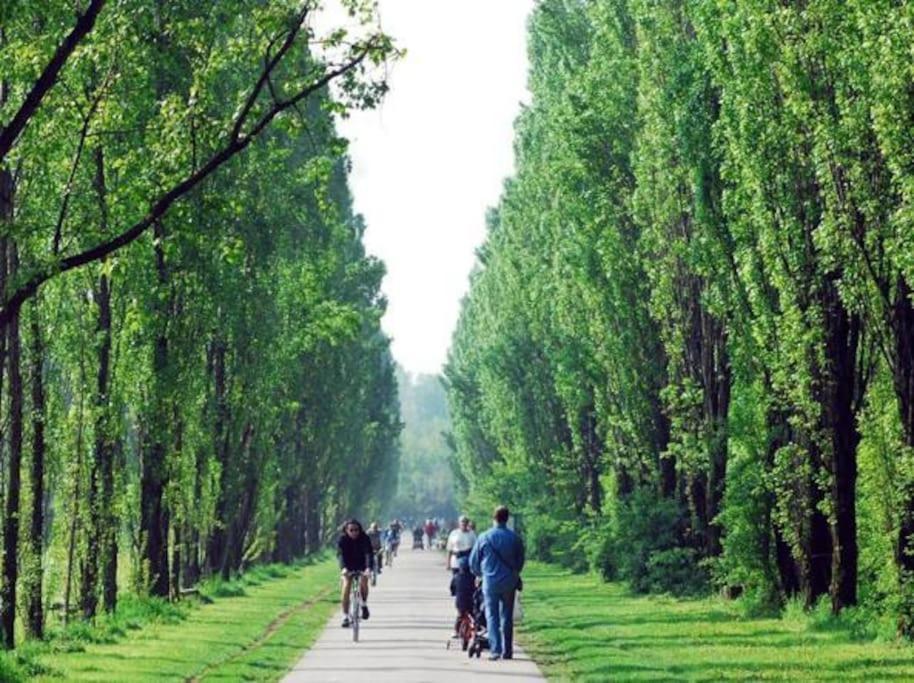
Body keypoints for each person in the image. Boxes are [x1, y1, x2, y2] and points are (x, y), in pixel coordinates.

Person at [469, 505, 524, 661]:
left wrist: (480, 574)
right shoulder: (514, 538)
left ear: (493, 518)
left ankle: (496, 650)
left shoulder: (484, 537)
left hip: (490, 582)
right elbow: (520, 561)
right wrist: (514, 574)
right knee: (506, 615)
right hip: (509, 582)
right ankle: (508, 651)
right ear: (507, 519)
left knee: (492, 616)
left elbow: (474, 562)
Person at [337, 519, 373, 627]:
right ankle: (345, 616)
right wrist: (343, 568)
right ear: (346, 530)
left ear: (360, 530)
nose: (354, 532)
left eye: (356, 530)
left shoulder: (365, 538)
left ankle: (363, 604)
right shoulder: (342, 540)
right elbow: (340, 555)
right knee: (346, 586)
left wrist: (368, 568)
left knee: (364, 581)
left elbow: (368, 554)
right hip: (348, 566)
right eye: (351, 530)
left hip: (362, 564)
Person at [449, 554, 475, 638]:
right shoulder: (472, 577)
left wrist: (453, 593)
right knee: (474, 616)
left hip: (460, 602)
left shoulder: (456, 577)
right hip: (471, 601)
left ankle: (456, 631)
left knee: (460, 616)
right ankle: (476, 629)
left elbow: (452, 588)